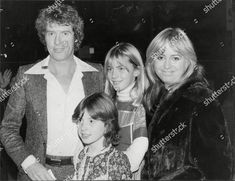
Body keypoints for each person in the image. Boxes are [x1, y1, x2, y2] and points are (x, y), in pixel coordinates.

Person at [0, 4, 104, 181]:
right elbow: (7, 128)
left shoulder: (97, 74)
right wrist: (28, 163)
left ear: (75, 36)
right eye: (51, 33)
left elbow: (110, 122)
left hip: (86, 173)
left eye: (65, 33)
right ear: (44, 37)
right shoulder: (27, 76)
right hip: (39, 174)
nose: (58, 41)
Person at [141, 27, 232, 180]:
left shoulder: (200, 99)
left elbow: (219, 167)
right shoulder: (158, 98)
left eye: (175, 58)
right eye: (161, 57)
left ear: (188, 62)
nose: (167, 65)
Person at [104, 42, 148, 179]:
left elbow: (139, 147)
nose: (114, 75)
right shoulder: (106, 104)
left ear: (136, 71)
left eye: (121, 68)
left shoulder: (142, 106)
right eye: (110, 69)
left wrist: (108, 167)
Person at [71, 92, 132, 180]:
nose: (83, 127)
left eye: (91, 121)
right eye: (81, 120)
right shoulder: (82, 154)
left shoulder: (115, 161)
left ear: (107, 126)